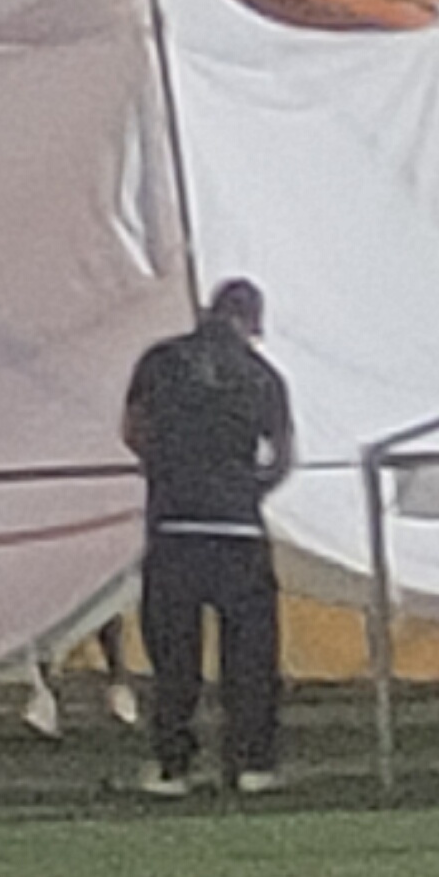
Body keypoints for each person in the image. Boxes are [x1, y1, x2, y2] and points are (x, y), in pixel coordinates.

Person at [120, 276, 296, 795]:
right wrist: (248, 488)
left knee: (174, 656)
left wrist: (165, 471)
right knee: (250, 657)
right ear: (252, 322)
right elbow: (281, 454)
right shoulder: (263, 375)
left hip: (174, 526)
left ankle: (173, 766)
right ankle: (252, 764)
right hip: (238, 529)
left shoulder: (159, 361)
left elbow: (132, 430)